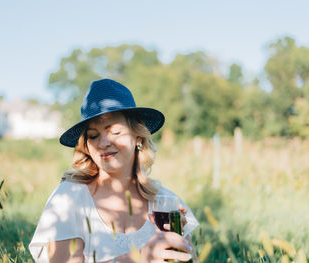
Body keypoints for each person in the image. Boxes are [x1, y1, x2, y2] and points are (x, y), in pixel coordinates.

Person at [29, 79, 199, 263]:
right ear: (86, 145)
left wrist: (178, 244)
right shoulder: (69, 198)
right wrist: (139, 258)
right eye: (93, 135)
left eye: (115, 132)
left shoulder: (165, 202)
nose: (103, 143)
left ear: (138, 137)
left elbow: (189, 260)